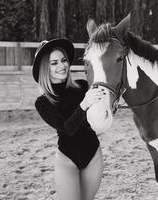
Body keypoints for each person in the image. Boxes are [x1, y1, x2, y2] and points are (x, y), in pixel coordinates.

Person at [32, 38, 105, 200]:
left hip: (93, 154)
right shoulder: (43, 102)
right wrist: (85, 103)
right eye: (54, 63)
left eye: (64, 60)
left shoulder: (82, 86)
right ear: (45, 68)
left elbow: (103, 110)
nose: (62, 65)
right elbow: (67, 128)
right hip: (67, 160)